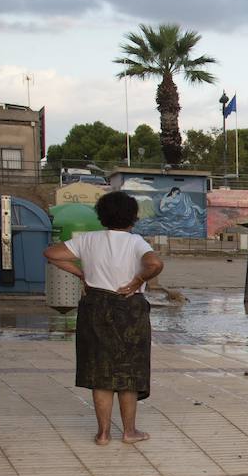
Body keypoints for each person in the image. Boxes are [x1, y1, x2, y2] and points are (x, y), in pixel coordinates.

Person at [44, 191, 164, 446]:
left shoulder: (88, 240)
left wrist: (80, 273)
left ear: (101, 216)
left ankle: (103, 433)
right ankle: (129, 432)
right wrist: (138, 280)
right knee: (129, 372)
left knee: (100, 372)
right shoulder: (135, 242)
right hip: (129, 308)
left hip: (95, 307)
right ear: (133, 217)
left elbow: (52, 254)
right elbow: (154, 264)